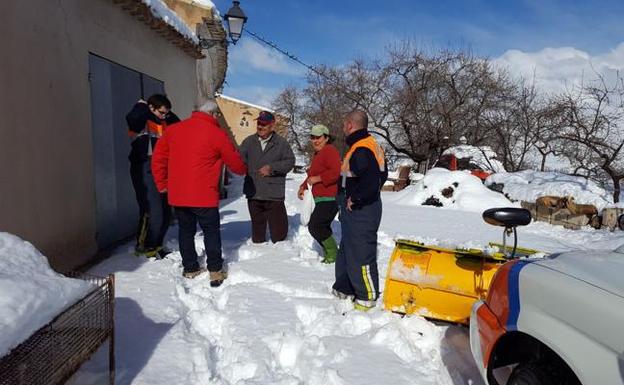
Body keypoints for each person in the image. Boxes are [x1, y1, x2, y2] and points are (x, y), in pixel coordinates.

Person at [151, 100, 247, 285]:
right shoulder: (217, 134)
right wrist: (245, 169)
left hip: (179, 195)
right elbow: (234, 161)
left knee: (185, 231)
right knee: (211, 231)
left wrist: (162, 184)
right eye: (217, 114)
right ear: (212, 114)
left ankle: (190, 268)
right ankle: (215, 270)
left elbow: (158, 158)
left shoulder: (174, 130)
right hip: (204, 196)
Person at [332, 109, 387, 311]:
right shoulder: (369, 144)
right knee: (348, 250)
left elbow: (372, 181)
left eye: (344, 125)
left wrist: (355, 198)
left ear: (350, 125)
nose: (343, 129)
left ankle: (366, 296)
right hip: (357, 209)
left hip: (362, 210)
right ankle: (345, 287)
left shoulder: (362, 150)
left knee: (361, 252)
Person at [126, 94, 180, 258]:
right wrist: (143, 106)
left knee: (165, 211)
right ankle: (143, 246)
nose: (164, 116)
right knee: (152, 210)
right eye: (161, 112)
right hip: (144, 167)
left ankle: (156, 245)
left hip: (163, 169)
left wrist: (166, 114)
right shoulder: (141, 118)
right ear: (151, 108)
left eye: (166, 113)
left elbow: (178, 125)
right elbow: (133, 120)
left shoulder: (164, 121)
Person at [239, 111, 295, 243]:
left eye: (264, 124)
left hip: (273, 193)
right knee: (257, 232)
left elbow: (290, 162)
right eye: (259, 123)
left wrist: (272, 168)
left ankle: (279, 256)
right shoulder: (249, 141)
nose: (260, 126)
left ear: (272, 126)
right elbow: (238, 159)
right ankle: (258, 253)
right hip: (254, 191)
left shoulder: (281, 143)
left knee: (279, 232)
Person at [297, 124, 341, 263]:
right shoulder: (318, 154)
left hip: (330, 197)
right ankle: (329, 253)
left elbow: (336, 172)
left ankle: (333, 253)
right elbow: (311, 175)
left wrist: (319, 178)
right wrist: (303, 187)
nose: (315, 140)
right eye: (312, 137)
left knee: (316, 225)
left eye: (318, 137)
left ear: (326, 138)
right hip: (319, 198)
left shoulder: (330, 150)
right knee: (321, 226)